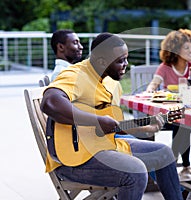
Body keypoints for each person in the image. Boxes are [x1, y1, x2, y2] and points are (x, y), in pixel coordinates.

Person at [41, 32, 183, 200]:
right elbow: (50, 103)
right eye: (120, 61)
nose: (126, 65)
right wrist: (97, 121)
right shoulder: (76, 75)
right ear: (102, 62)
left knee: (164, 153)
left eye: (126, 58)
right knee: (135, 171)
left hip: (104, 146)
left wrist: (146, 127)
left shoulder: (111, 82)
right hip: (74, 161)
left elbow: (112, 127)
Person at [146, 29, 191, 178]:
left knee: (183, 123)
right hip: (165, 116)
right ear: (175, 50)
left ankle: (173, 162)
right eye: (186, 48)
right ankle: (182, 165)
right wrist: (150, 90)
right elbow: (153, 85)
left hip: (188, 112)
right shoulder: (166, 67)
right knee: (182, 124)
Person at [50, 29, 122, 106]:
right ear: (61, 47)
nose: (81, 47)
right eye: (75, 43)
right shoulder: (62, 74)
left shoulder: (76, 71)